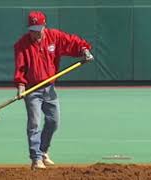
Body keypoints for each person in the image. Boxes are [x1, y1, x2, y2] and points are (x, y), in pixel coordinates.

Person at [14, 11, 94, 170]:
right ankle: (36, 158)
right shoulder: (21, 44)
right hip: (32, 90)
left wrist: (84, 50)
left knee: (54, 121)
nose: (35, 33)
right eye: (32, 30)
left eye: (38, 29)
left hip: (49, 88)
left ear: (44, 26)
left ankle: (43, 151)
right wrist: (21, 87)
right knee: (34, 123)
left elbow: (73, 42)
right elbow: (20, 67)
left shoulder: (54, 37)